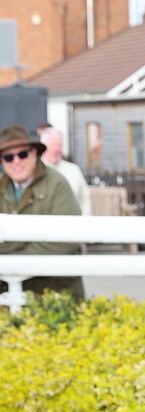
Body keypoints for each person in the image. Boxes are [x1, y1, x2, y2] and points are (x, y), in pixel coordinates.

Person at [0, 125, 83, 298]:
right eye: (8, 157)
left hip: (54, 293)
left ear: (35, 153)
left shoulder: (57, 183)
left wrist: (11, 258)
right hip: (7, 295)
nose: (16, 162)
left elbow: (66, 239)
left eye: (22, 154)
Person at [39, 127, 91, 216]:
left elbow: (85, 199)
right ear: (43, 147)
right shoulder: (36, 170)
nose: (57, 149)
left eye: (59, 145)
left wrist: (85, 223)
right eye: (52, 145)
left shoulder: (73, 169)